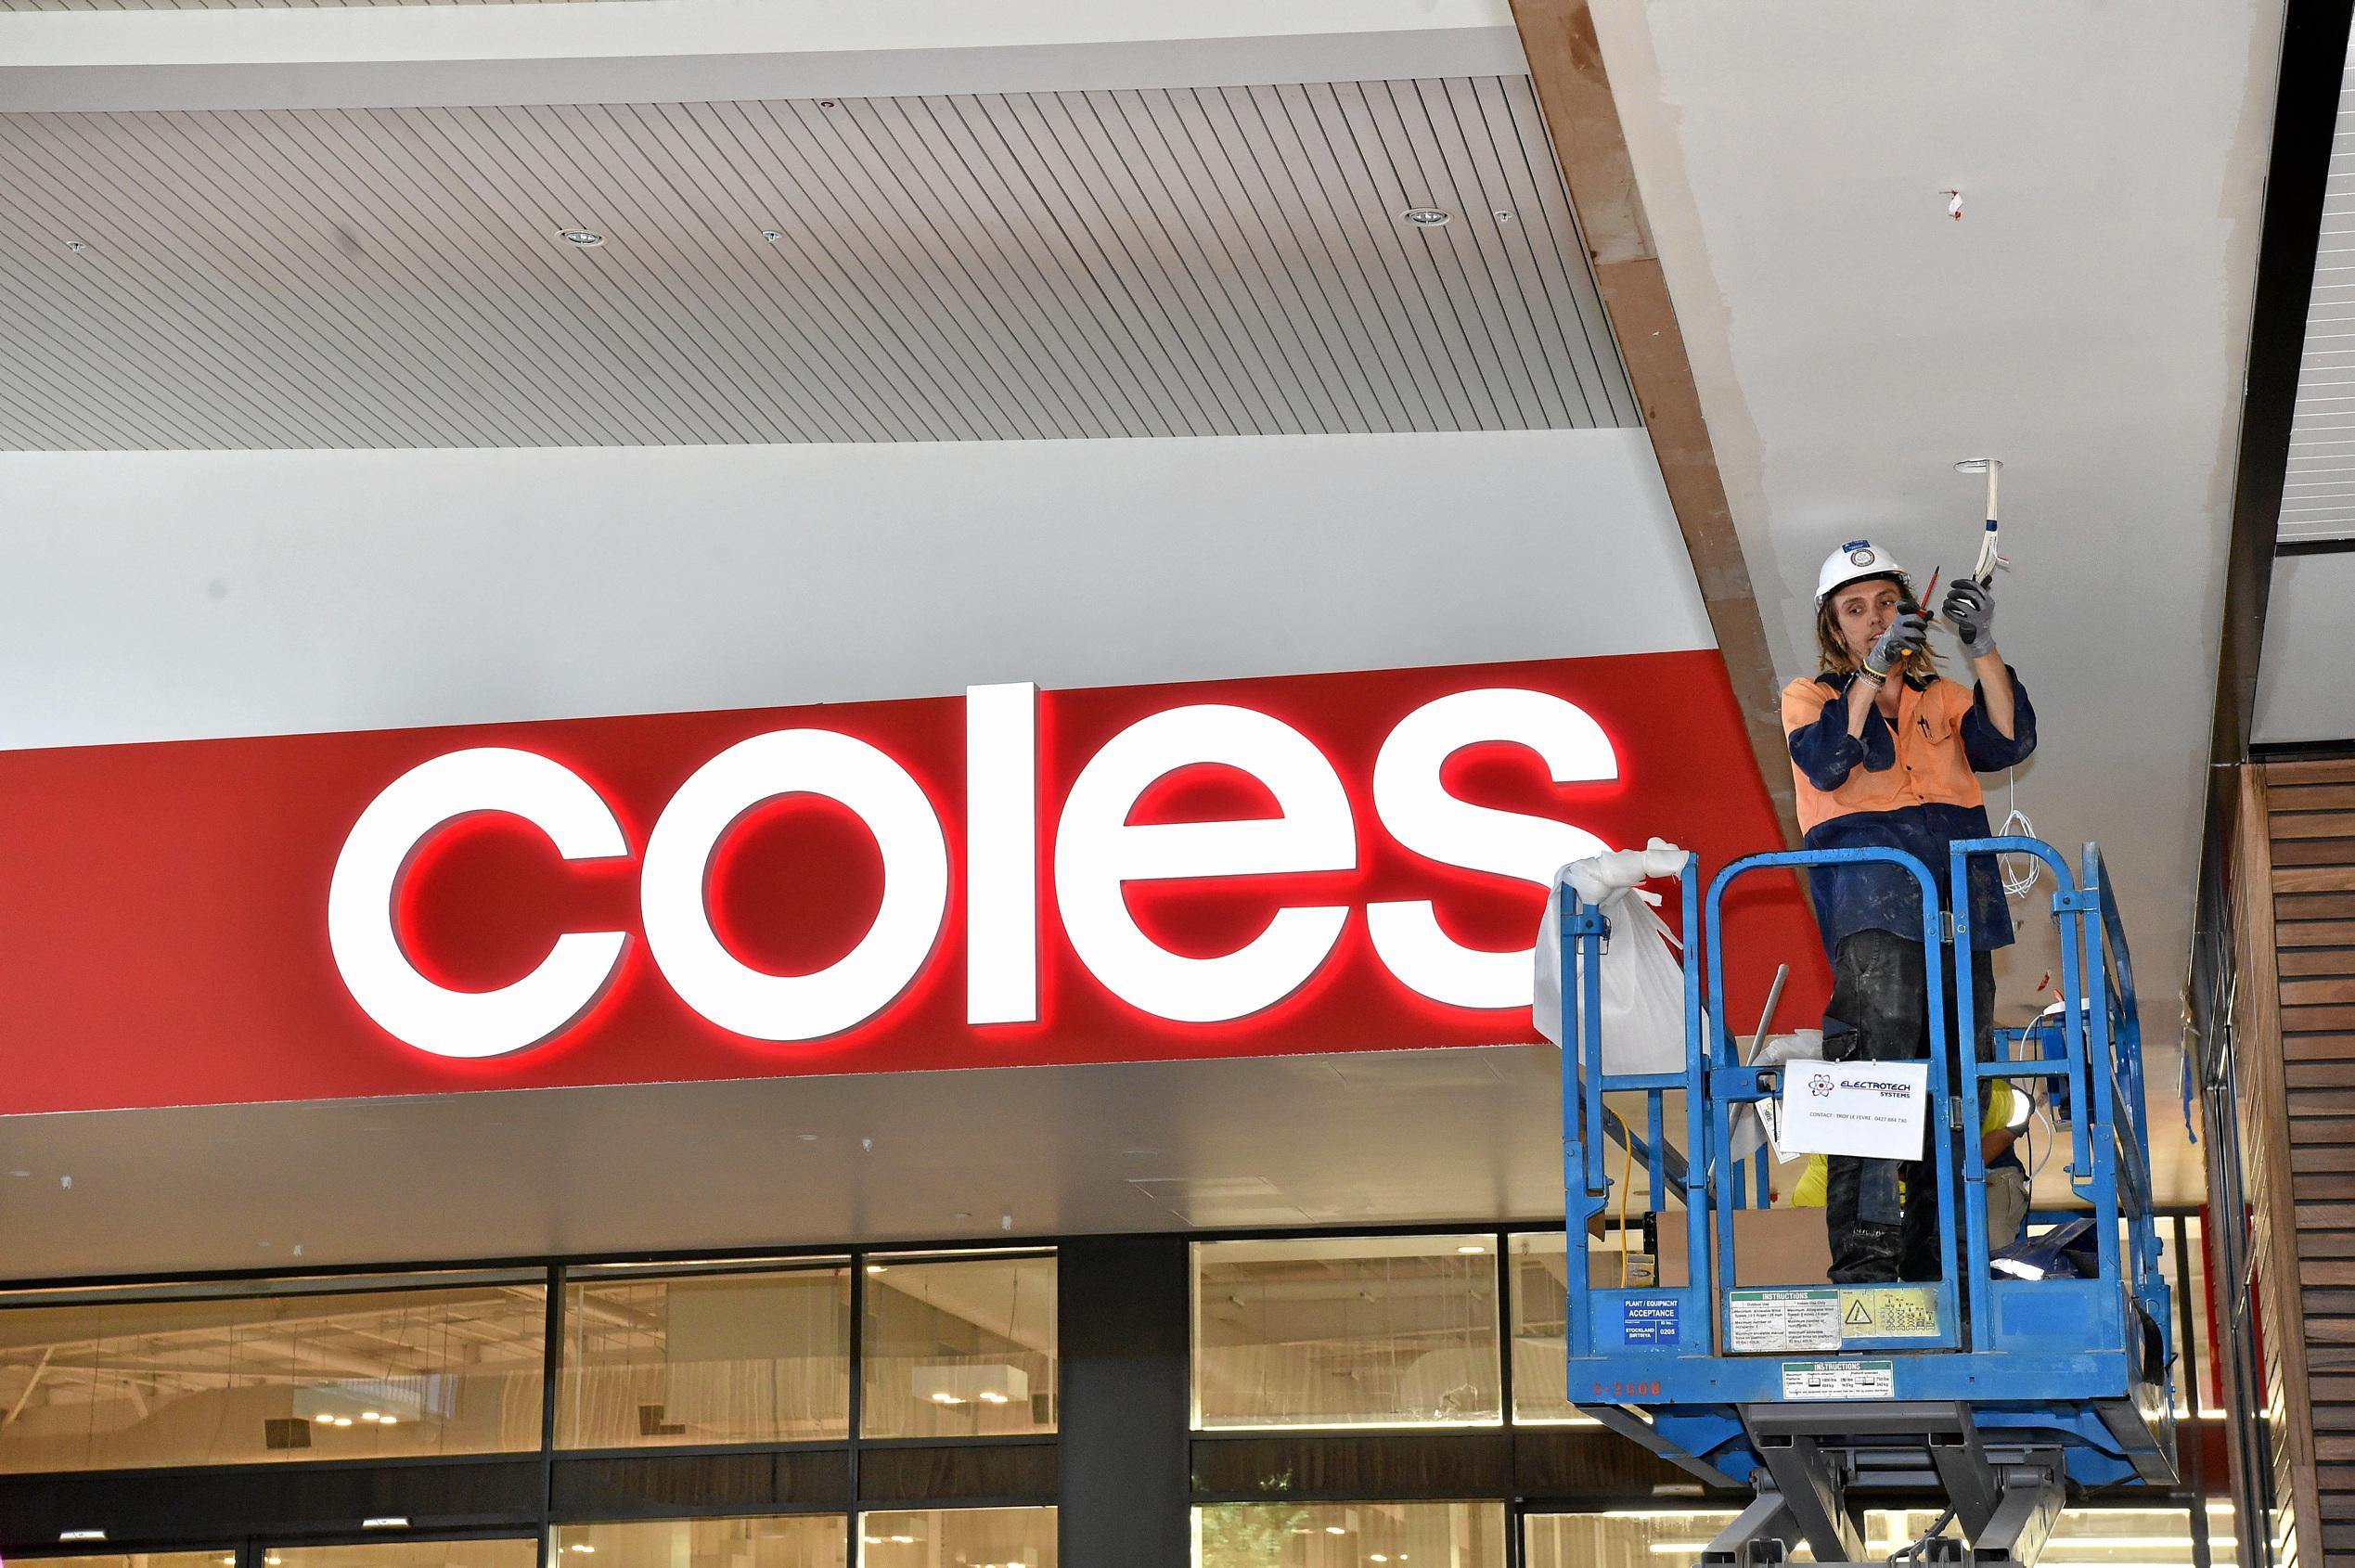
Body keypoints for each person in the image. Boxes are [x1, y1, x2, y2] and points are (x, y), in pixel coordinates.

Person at [1782, 538, 2037, 1283]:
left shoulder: (1940, 699)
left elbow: (2010, 739)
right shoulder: (1812, 696)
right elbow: (1830, 760)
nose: (1873, 619)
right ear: (1835, 627)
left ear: (1909, 610)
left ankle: (1936, 1261)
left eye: (1886, 604)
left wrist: (1982, 647)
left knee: (1955, 1087)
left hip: (1962, 904)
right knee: (1874, 1074)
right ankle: (1865, 1259)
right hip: (1876, 904)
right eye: (1854, 610)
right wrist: (1867, 675)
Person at [1790, 1076, 2033, 1253]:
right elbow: (1810, 1238)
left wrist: (1968, 1163)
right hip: (1922, 1177)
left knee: (1985, 1246)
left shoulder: (1959, 1104)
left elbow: (2023, 1105)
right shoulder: (1828, 1170)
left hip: (1979, 1163)